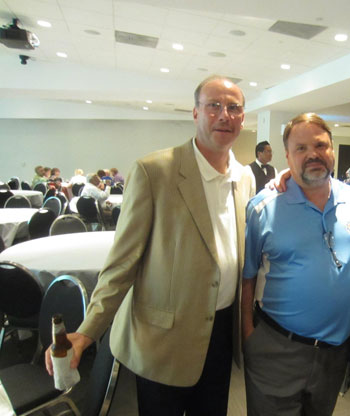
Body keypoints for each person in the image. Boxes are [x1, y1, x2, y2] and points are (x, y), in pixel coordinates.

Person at [45, 75, 254, 416]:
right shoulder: (154, 171)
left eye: (234, 108)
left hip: (220, 332)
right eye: (213, 105)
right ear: (195, 113)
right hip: (164, 338)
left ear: (242, 118)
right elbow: (122, 263)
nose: (224, 115)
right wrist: (86, 332)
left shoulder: (244, 177)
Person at [242, 113, 350, 415]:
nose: (312, 154)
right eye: (301, 148)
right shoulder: (263, 207)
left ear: (332, 148)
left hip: (336, 352)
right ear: (287, 156)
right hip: (278, 349)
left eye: (320, 145)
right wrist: (249, 334)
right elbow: (247, 275)